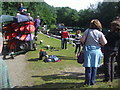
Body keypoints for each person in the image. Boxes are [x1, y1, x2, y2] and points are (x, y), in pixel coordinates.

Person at [80, 19, 107, 86]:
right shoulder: (100, 33)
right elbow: (104, 42)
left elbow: (82, 40)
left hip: (88, 50)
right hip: (96, 51)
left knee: (88, 67)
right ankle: (92, 81)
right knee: (94, 67)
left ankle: (87, 82)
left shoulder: (87, 31)